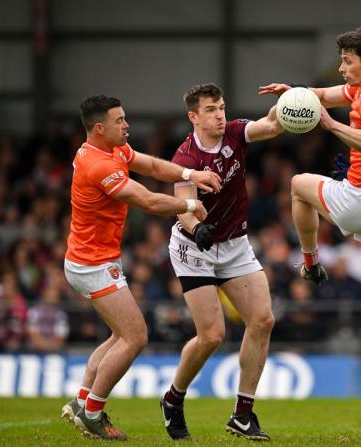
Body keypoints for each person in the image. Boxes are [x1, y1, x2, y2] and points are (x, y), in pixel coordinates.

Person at [260, 24, 361, 431]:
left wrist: (329, 126)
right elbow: (327, 95)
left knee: (297, 185)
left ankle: (310, 262)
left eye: (347, 62)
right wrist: (295, 93)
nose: (342, 68)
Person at [60, 95, 221, 440]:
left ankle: (82, 401)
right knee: (135, 337)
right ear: (100, 128)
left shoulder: (107, 150)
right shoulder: (98, 166)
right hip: (93, 264)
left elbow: (150, 166)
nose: (127, 124)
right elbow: (147, 200)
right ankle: (92, 413)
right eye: (120, 120)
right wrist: (191, 202)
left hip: (90, 258)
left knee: (120, 335)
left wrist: (191, 173)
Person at [159, 83, 284, 441]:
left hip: (234, 245)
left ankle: (243, 415)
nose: (220, 115)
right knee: (212, 336)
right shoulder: (185, 158)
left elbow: (271, 126)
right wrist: (197, 227)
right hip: (193, 249)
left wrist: (289, 103)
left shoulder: (234, 132)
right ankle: (173, 398)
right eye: (211, 109)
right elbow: (184, 207)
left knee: (262, 320)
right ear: (193, 117)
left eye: (222, 107)